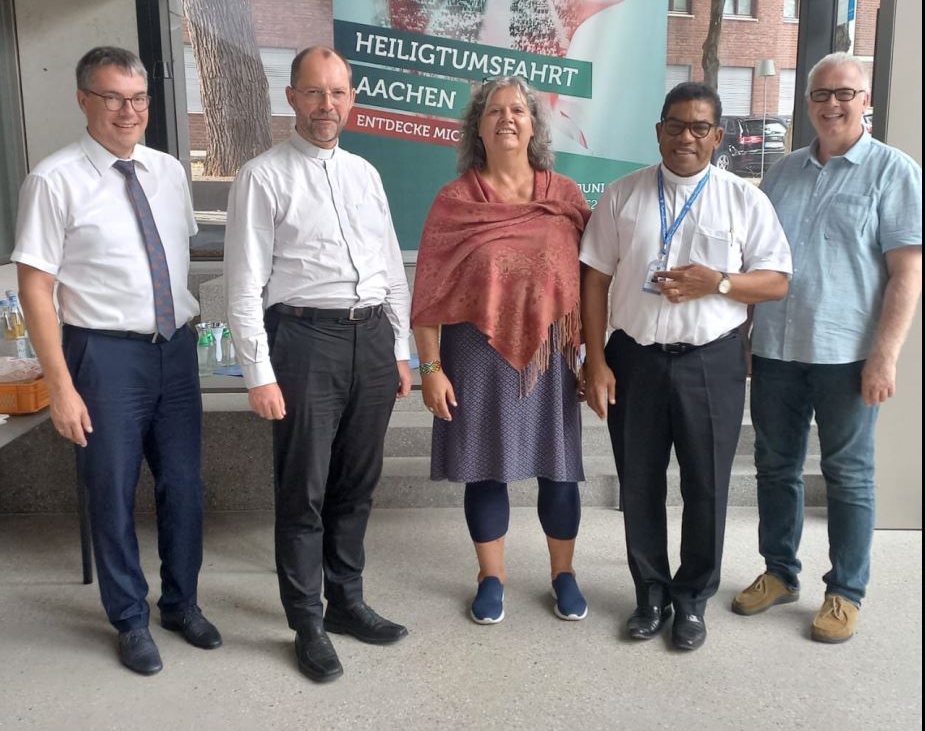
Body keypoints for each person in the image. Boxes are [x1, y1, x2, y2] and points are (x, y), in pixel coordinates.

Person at [12, 46, 221, 675]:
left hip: (174, 350)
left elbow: (169, 259)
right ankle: (130, 618)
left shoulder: (167, 171)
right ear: (83, 100)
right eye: (113, 98)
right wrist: (62, 385)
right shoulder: (53, 179)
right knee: (111, 491)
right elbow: (34, 288)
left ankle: (181, 603)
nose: (128, 111)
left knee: (185, 487)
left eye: (139, 99)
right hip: (102, 357)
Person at [580, 82, 792, 651]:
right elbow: (595, 277)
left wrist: (717, 282)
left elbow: (776, 280)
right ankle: (649, 593)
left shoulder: (743, 199)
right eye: (675, 125)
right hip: (635, 360)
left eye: (700, 127)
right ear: (659, 131)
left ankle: (692, 600)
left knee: (707, 487)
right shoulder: (623, 195)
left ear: (718, 136)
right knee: (640, 484)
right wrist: (594, 359)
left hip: (711, 362)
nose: (686, 137)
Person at [224, 46, 412, 683]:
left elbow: (390, 268)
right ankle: (305, 619)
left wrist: (401, 350)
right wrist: (259, 374)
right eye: (314, 92)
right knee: (303, 489)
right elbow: (243, 285)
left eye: (338, 93)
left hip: (371, 342)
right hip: (303, 342)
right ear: (292, 99)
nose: (327, 105)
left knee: (356, 484)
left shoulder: (365, 173)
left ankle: (347, 602)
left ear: (350, 98)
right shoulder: (263, 175)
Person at [733, 52, 922, 643]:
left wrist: (885, 355)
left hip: (848, 356)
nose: (832, 104)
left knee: (849, 475)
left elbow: (907, 274)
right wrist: (746, 333)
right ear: (807, 102)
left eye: (845, 93)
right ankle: (780, 572)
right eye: (821, 94)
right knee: (775, 466)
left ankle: (844, 591)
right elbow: (757, 261)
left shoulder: (894, 171)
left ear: (866, 100)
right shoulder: (783, 172)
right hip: (777, 351)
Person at [411, 76, 590, 625]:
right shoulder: (455, 200)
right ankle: (492, 577)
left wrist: (595, 357)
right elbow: (429, 293)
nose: (507, 118)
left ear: (535, 124)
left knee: (559, 471)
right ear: (478, 127)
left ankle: (564, 574)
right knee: (486, 470)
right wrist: (431, 368)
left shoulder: (566, 198)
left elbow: (594, 282)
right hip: (475, 356)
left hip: (551, 358)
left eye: (518, 110)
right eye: (494, 111)